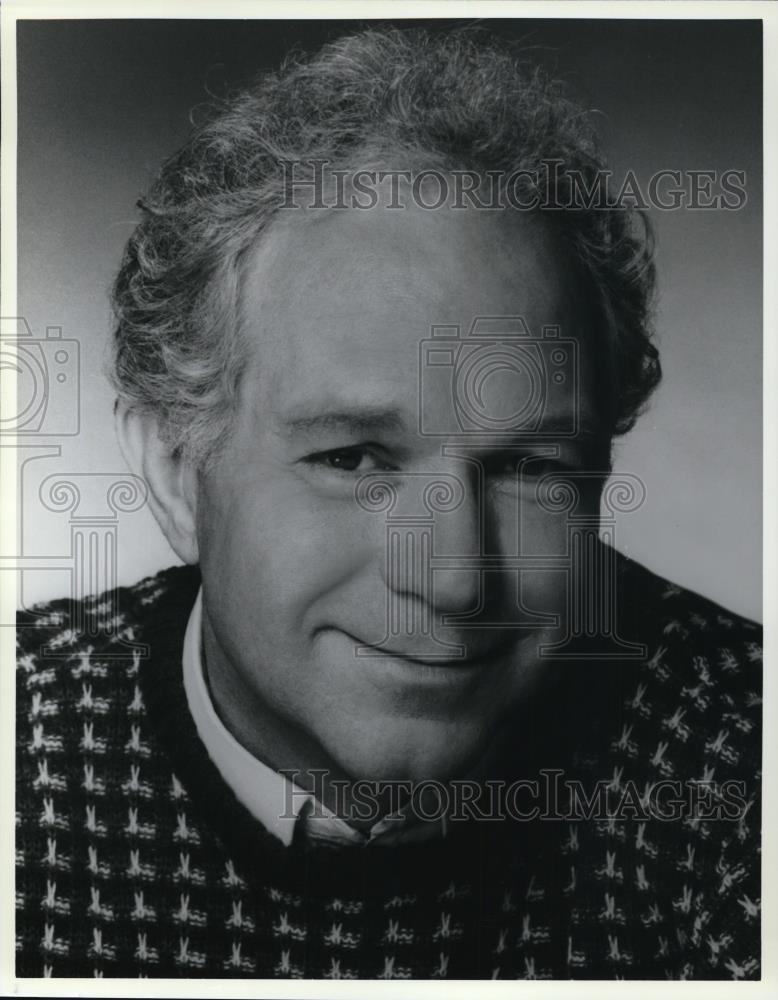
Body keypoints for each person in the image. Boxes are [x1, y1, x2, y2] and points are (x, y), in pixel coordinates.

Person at [15, 26, 761, 979]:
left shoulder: (740, 767)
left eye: (533, 466)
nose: (454, 578)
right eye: (355, 458)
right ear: (173, 469)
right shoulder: (23, 755)